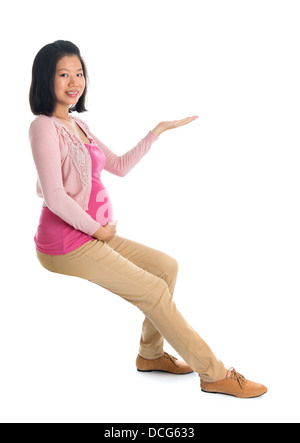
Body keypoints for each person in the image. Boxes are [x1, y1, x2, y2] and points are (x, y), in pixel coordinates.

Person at [29, 40, 267, 399]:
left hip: (95, 236)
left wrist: (156, 132)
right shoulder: (43, 127)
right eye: (64, 74)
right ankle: (214, 373)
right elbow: (55, 195)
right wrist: (98, 230)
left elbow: (120, 166)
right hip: (66, 244)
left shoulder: (80, 125)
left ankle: (150, 354)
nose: (74, 82)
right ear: (46, 79)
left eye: (79, 74)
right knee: (154, 291)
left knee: (165, 268)